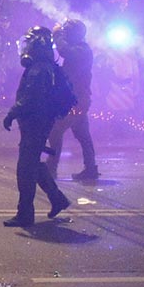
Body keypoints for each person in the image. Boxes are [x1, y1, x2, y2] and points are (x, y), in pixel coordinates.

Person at [2, 26, 71, 227]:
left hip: (35, 123)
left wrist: (11, 114)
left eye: (30, 42)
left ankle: (25, 214)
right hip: (38, 123)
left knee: (25, 169)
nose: (27, 46)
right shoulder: (43, 66)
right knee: (32, 163)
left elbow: (30, 98)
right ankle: (58, 199)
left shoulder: (39, 69)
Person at [47, 19, 99, 182]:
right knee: (83, 135)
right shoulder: (81, 49)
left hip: (75, 101)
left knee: (55, 131)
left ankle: (51, 169)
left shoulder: (81, 50)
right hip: (78, 100)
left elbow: (64, 50)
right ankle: (90, 169)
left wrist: (57, 33)